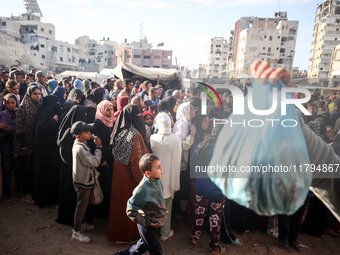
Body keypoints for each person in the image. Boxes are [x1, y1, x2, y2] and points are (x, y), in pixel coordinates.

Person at [108, 104, 149, 242]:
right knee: (130, 207)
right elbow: (137, 162)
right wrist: (142, 181)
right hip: (130, 179)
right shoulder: (135, 135)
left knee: (118, 205)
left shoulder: (118, 131)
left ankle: (116, 235)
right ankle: (128, 236)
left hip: (117, 176)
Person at [112, 154, 166, 255]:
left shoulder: (157, 181)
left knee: (140, 248)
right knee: (157, 251)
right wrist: (147, 223)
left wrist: (161, 210)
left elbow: (155, 200)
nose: (162, 169)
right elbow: (130, 210)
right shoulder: (141, 189)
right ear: (148, 173)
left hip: (154, 222)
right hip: (147, 226)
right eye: (158, 167)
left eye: (160, 165)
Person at [150, 113, 182, 241]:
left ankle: (152, 232)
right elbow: (178, 161)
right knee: (166, 208)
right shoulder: (176, 139)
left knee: (153, 207)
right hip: (168, 179)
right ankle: (164, 233)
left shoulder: (153, 138)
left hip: (154, 179)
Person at [55, 105, 88, 226]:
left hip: (72, 170)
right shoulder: (68, 135)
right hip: (70, 170)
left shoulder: (72, 131)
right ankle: (68, 218)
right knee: (68, 194)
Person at [70, 121, 102, 243]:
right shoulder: (80, 148)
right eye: (86, 132)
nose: (90, 134)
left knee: (83, 205)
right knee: (81, 207)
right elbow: (95, 162)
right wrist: (98, 147)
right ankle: (76, 232)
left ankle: (82, 224)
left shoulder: (81, 143)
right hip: (83, 182)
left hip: (83, 179)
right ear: (78, 136)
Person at [13, 84, 42, 204]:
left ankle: (28, 191)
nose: (37, 96)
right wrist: (24, 145)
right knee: (24, 169)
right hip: (24, 143)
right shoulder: (23, 107)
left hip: (33, 142)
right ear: (29, 94)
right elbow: (19, 129)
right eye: (35, 94)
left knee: (30, 169)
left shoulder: (39, 106)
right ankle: (24, 193)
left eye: (39, 94)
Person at [32, 95, 61, 207]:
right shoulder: (45, 114)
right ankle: (43, 199)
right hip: (43, 151)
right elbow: (40, 132)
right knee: (44, 175)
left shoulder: (51, 113)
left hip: (50, 150)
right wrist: (53, 122)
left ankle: (50, 198)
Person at [93, 100, 114, 218]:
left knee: (108, 185)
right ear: (102, 110)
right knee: (102, 185)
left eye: (111, 109)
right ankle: (100, 213)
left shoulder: (111, 122)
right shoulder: (98, 123)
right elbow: (98, 143)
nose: (110, 112)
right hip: (102, 160)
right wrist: (102, 160)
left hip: (109, 158)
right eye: (107, 110)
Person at [0, 93, 19, 201]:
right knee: (7, 168)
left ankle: (17, 189)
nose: (11, 105)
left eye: (13, 102)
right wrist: (17, 126)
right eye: (8, 103)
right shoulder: (3, 114)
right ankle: (7, 191)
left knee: (17, 167)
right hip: (6, 144)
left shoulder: (19, 112)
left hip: (16, 144)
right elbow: (7, 128)